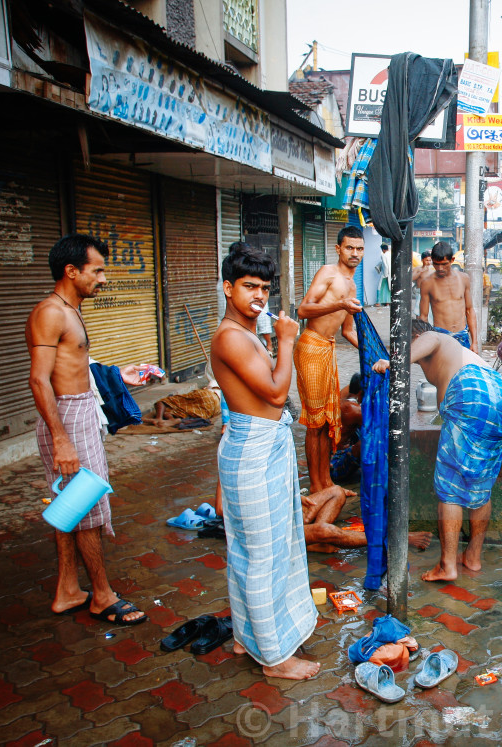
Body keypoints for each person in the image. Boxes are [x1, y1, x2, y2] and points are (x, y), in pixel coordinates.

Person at [26, 234, 149, 624]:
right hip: (67, 420)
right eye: (96, 270)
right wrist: (62, 438)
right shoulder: (51, 312)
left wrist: (116, 375)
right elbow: (39, 380)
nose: (103, 278)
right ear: (71, 271)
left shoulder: (70, 310)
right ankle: (101, 595)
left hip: (77, 413)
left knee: (70, 504)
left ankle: (67, 589)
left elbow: (75, 366)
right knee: (91, 508)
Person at [212, 245, 318, 680]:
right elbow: (276, 393)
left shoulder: (245, 331)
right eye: (249, 286)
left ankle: (246, 635)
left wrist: (276, 342)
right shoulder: (230, 337)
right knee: (262, 555)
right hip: (252, 451)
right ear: (227, 287)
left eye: (265, 288)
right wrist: (288, 341)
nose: (259, 295)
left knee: (255, 549)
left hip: (260, 446)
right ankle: (275, 658)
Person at [375, 319, 502, 582]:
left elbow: (432, 339)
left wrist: (395, 362)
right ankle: (472, 557)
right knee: (480, 486)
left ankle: (447, 565)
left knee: (450, 487)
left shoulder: (432, 338)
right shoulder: (460, 354)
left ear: (413, 335)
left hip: (471, 394)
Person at [295, 229, 364, 493]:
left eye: (359, 249)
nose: (354, 254)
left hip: (328, 350)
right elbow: (303, 310)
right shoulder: (327, 272)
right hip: (311, 346)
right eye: (350, 248)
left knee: (326, 421)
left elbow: (348, 332)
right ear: (338, 249)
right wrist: (340, 304)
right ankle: (316, 487)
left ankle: (326, 482)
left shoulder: (353, 285)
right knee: (315, 423)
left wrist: (379, 355)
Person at [300, 485, 432, 553]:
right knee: (325, 531)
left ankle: (316, 542)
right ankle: (395, 538)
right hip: (283, 530)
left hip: (289, 514)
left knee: (336, 492)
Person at [418, 241, 479, 353]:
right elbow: (423, 317)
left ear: (452, 260)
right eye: (436, 264)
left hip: (462, 337)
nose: (440, 268)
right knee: (442, 370)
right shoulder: (427, 283)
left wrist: (474, 342)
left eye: (444, 264)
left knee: (464, 369)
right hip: (441, 337)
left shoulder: (463, 278)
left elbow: (469, 310)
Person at [328, 374, 364, 485]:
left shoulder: (345, 399)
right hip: (335, 465)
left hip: (334, 456)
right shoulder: (354, 410)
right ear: (361, 392)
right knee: (370, 439)